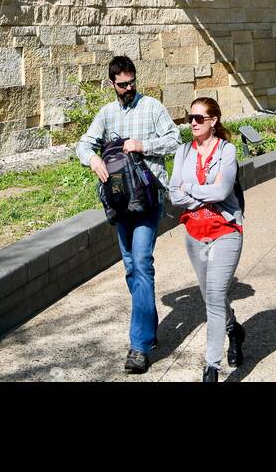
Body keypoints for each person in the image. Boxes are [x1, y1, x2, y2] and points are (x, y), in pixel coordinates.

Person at [77, 55, 180, 374]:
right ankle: (149, 326)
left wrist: (142, 145)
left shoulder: (152, 108)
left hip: (148, 200)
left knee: (142, 263)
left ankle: (139, 346)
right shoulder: (106, 114)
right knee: (132, 268)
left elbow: (175, 141)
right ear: (111, 84)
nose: (129, 88)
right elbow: (83, 143)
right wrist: (92, 160)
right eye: (122, 84)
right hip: (120, 203)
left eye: (132, 81)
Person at [169, 96, 245, 382]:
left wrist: (189, 188)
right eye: (190, 118)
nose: (193, 123)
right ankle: (234, 330)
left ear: (213, 121)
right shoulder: (183, 152)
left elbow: (222, 192)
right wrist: (199, 189)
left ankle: (211, 367)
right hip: (194, 233)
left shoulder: (227, 151)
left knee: (213, 297)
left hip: (225, 230)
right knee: (210, 295)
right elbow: (173, 193)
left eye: (199, 118)